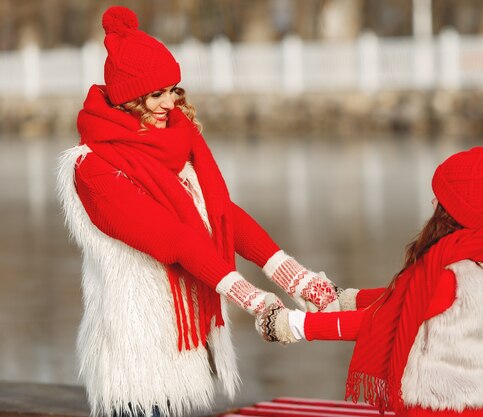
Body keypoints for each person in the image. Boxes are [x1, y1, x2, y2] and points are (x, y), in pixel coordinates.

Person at [56, 6, 339, 417]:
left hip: (189, 339)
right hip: (140, 351)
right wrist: (253, 299)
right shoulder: (93, 168)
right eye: (156, 94)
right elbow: (172, 237)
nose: (169, 103)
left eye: (173, 90)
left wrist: (294, 277)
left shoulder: (177, 146)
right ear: (127, 98)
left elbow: (222, 215)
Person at [256, 135, 483, 417]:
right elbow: (405, 298)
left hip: (432, 407)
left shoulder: (449, 276)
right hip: (461, 405)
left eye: (442, 198)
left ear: (455, 211)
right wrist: (349, 298)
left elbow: (378, 324)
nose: (433, 200)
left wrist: (297, 325)